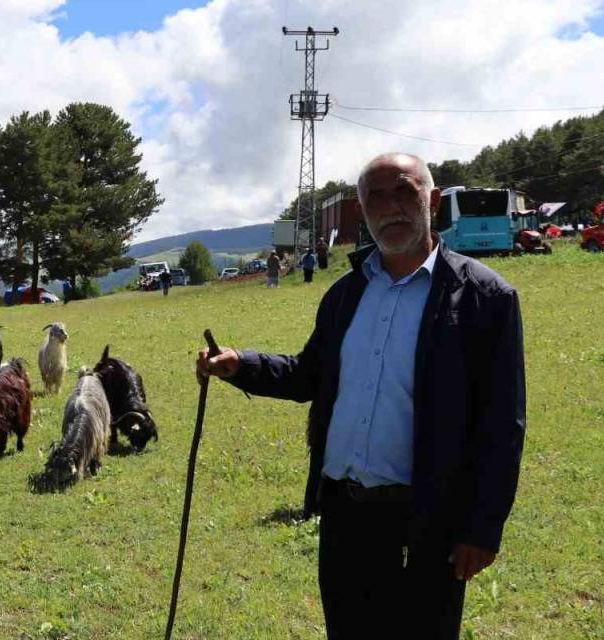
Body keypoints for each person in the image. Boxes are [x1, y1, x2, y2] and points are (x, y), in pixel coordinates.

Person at [196, 152, 526, 640]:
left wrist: (482, 528)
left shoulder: (485, 298)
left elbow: (502, 424)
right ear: (362, 210)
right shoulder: (346, 294)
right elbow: (310, 375)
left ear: (432, 200)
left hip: (426, 521)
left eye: (404, 192)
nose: (391, 207)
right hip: (345, 517)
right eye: (376, 197)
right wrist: (241, 365)